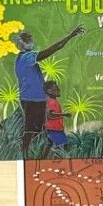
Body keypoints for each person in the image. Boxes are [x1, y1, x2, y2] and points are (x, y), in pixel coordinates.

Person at [11, 24, 84, 155]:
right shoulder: (27, 57)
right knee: (32, 129)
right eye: (29, 40)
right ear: (23, 43)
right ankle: (24, 152)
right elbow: (51, 50)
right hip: (32, 99)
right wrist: (69, 36)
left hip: (35, 98)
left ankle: (40, 152)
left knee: (40, 129)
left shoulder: (21, 58)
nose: (32, 42)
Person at [43, 79, 68, 151]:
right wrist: (64, 114)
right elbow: (50, 115)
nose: (59, 90)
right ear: (50, 91)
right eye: (56, 88)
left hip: (54, 129)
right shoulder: (52, 102)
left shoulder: (51, 101)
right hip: (54, 130)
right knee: (63, 146)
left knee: (51, 146)